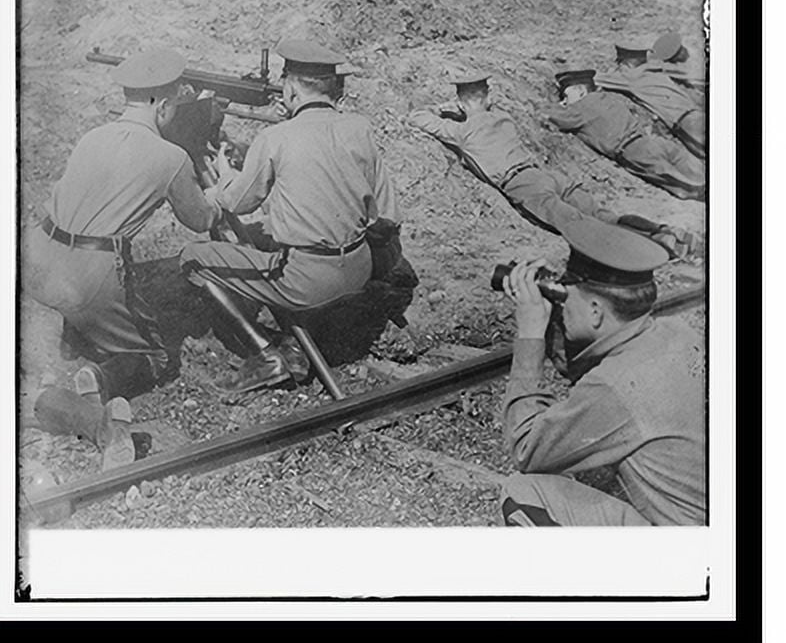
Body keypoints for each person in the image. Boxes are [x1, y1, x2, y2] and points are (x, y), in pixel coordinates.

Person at [179, 39, 401, 390]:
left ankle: (269, 354)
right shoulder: (361, 129)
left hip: (308, 282)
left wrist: (223, 173)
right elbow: (386, 215)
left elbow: (236, 204)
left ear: (292, 88)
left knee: (193, 258)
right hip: (359, 269)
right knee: (267, 238)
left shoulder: (275, 137)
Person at [26, 48, 222, 402]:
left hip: (34, 258)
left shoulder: (93, 137)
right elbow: (201, 220)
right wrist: (221, 190)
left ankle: (75, 341)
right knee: (157, 358)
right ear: (162, 107)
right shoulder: (170, 157)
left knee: (87, 244)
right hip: (88, 281)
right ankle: (99, 376)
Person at [499, 219, 706, 526]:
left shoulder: (615, 386)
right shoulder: (676, 334)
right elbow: (588, 371)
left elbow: (527, 449)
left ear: (596, 311)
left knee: (523, 492)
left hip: (688, 552)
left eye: (567, 294)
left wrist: (531, 331)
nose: (563, 303)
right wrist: (558, 324)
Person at [407, 70, 695, 256]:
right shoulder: (503, 118)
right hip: (547, 174)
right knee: (602, 213)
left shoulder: (462, 130)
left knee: (576, 224)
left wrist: (442, 108)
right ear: (488, 97)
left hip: (523, 184)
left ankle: (651, 248)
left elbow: (418, 118)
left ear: (460, 103)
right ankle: (661, 230)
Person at [548, 69, 705, 201]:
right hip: (652, 142)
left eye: (566, 96)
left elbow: (554, 118)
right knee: (698, 170)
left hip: (633, 151)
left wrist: (556, 106)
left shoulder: (581, 108)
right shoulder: (609, 98)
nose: (565, 102)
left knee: (685, 187)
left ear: (580, 90)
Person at [597, 39, 705, 159]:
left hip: (683, 120)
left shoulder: (629, 77)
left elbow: (595, 78)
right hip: (693, 114)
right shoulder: (656, 68)